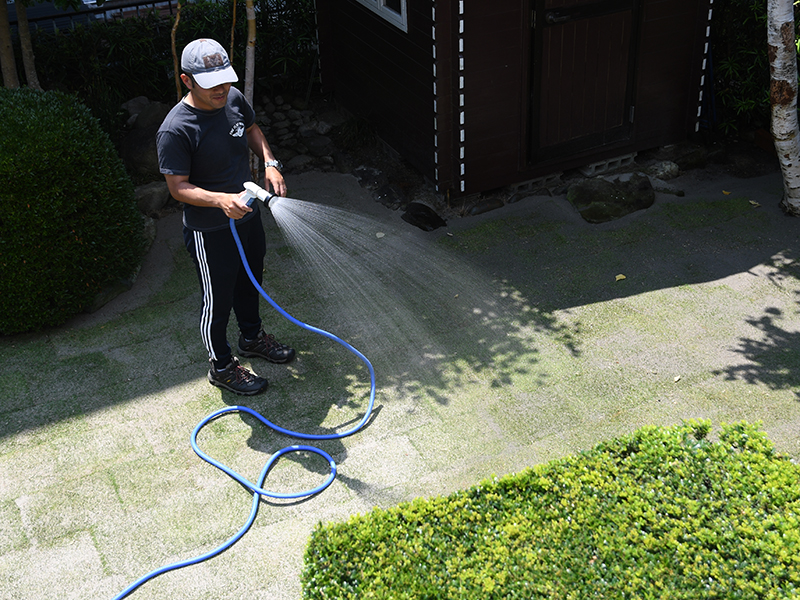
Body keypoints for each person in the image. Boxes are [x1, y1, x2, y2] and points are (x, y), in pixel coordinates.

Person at [156, 38, 295, 396]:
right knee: (217, 299)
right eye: (211, 84)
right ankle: (220, 366)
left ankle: (252, 338)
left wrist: (270, 162)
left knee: (250, 282)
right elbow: (178, 187)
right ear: (187, 81)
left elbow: (251, 129)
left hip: (246, 218)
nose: (222, 89)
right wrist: (220, 201)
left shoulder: (232, 99)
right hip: (210, 231)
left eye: (226, 79)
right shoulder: (176, 129)